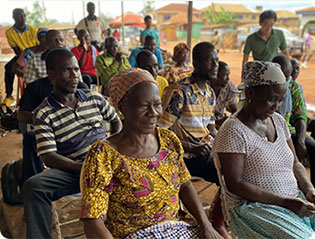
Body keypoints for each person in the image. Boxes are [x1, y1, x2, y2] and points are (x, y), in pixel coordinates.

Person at [80, 67, 222, 239]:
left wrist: (206, 226)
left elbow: (185, 185)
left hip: (177, 229)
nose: (153, 113)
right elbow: (93, 220)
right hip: (134, 234)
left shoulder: (168, 140)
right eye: (143, 105)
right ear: (121, 106)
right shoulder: (104, 155)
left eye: (157, 105)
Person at [23, 48, 121, 239]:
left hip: (107, 163)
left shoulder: (93, 97)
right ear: (51, 75)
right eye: (67, 70)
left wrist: (113, 146)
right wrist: (83, 168)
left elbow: (116, 120)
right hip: (74, 170)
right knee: (33, 186)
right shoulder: (43, 113)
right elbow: (49, 157)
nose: (74, 75)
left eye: (76, 69)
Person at [213, 61, 315, 238]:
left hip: (293, 199)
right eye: (271, 99)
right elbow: (235, 183)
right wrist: (285, 202)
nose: (277, 106)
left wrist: (308, 190)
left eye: (280, 100)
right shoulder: (234, 130)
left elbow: (296, 163)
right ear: (251, 92)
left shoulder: (278, 121)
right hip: (256, 208)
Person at [159, 42, 231, 239]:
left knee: (238, 167)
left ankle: (216, 218)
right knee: (229, 175)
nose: (216, 64)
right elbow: (160, 131)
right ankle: (216, 222)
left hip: (204, 151)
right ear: (197, 63)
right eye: (211, 60)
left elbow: (209, 128)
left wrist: (221, 142)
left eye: (217, 59)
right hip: (184, 157)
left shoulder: (209, 93)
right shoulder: (179, 91)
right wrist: (190, 146)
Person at [17, 76, 87, 184]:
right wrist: (45, 120)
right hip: (48, 133)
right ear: (51, 71)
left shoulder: (81, 88)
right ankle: (31, 180)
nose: (72, 74)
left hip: (77, 136)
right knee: (31, 137)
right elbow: (21, 115)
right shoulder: (36, 87)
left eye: (75, 69)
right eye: (65, 70)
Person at [3, 8, 38, 106]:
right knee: (9, 67)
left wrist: (32, 57)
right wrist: (25, 59)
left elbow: (38, 46)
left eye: (24, 15)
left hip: (35, 54)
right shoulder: (9, 32)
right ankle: (9, 95)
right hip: (22, 56)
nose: (23, 18)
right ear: (14, 18)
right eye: (19, 16)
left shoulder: (32, 29)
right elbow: (17, 51)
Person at [210, 61, 238, 127]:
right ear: (215, 75)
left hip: (220, 123)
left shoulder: (230, 87)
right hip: (205, 124)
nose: (228, 79)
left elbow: (235, 110)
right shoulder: (205, 87)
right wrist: (218, 121)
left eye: (228, 75)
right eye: (226, 75)